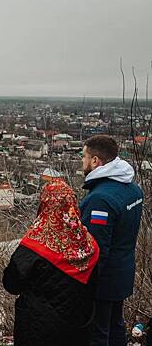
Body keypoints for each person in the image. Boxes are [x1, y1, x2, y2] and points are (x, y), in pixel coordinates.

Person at [3, 179, 100, 346]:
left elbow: (11, 284)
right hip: (79, 328)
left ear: (44, 205)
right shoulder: (88, 245)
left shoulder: (34, 245)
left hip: (37, 330)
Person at [80, 135, 144, 346]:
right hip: (123, 272)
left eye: (85, 157)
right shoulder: (132, 188)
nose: (83, 162)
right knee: (116, 325)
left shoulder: (101, 199)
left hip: (103, 280)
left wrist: (85, 285)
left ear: (96, 161)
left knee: (97, 333)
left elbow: (96, 248)